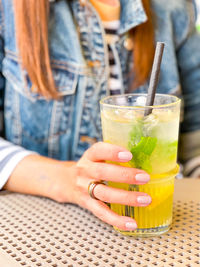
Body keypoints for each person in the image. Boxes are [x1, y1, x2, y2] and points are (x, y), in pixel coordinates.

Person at [0, 0, 200, 231]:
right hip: (42, 225)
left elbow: (194, 146)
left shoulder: (173, 7)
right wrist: (66, 179)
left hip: (162, 224)